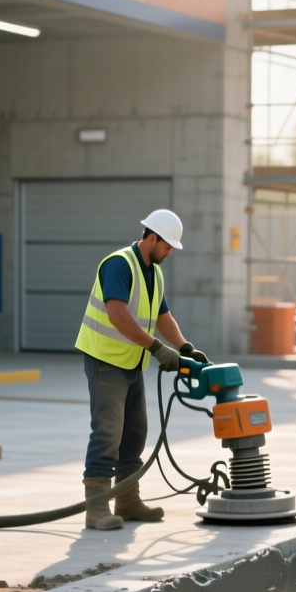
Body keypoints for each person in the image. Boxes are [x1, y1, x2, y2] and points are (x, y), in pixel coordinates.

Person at [74, 208, 208, 530]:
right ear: (152, 237)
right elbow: (118, 315)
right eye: (167, 247)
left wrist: (184, 347)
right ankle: (96, 508)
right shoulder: (119, 265)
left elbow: (164, 318)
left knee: (135, 434)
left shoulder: (154, 273)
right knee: (108, 433)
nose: (170, 253)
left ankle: (128, 500)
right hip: (105, 359)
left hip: (131, 361)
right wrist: (157, 348)